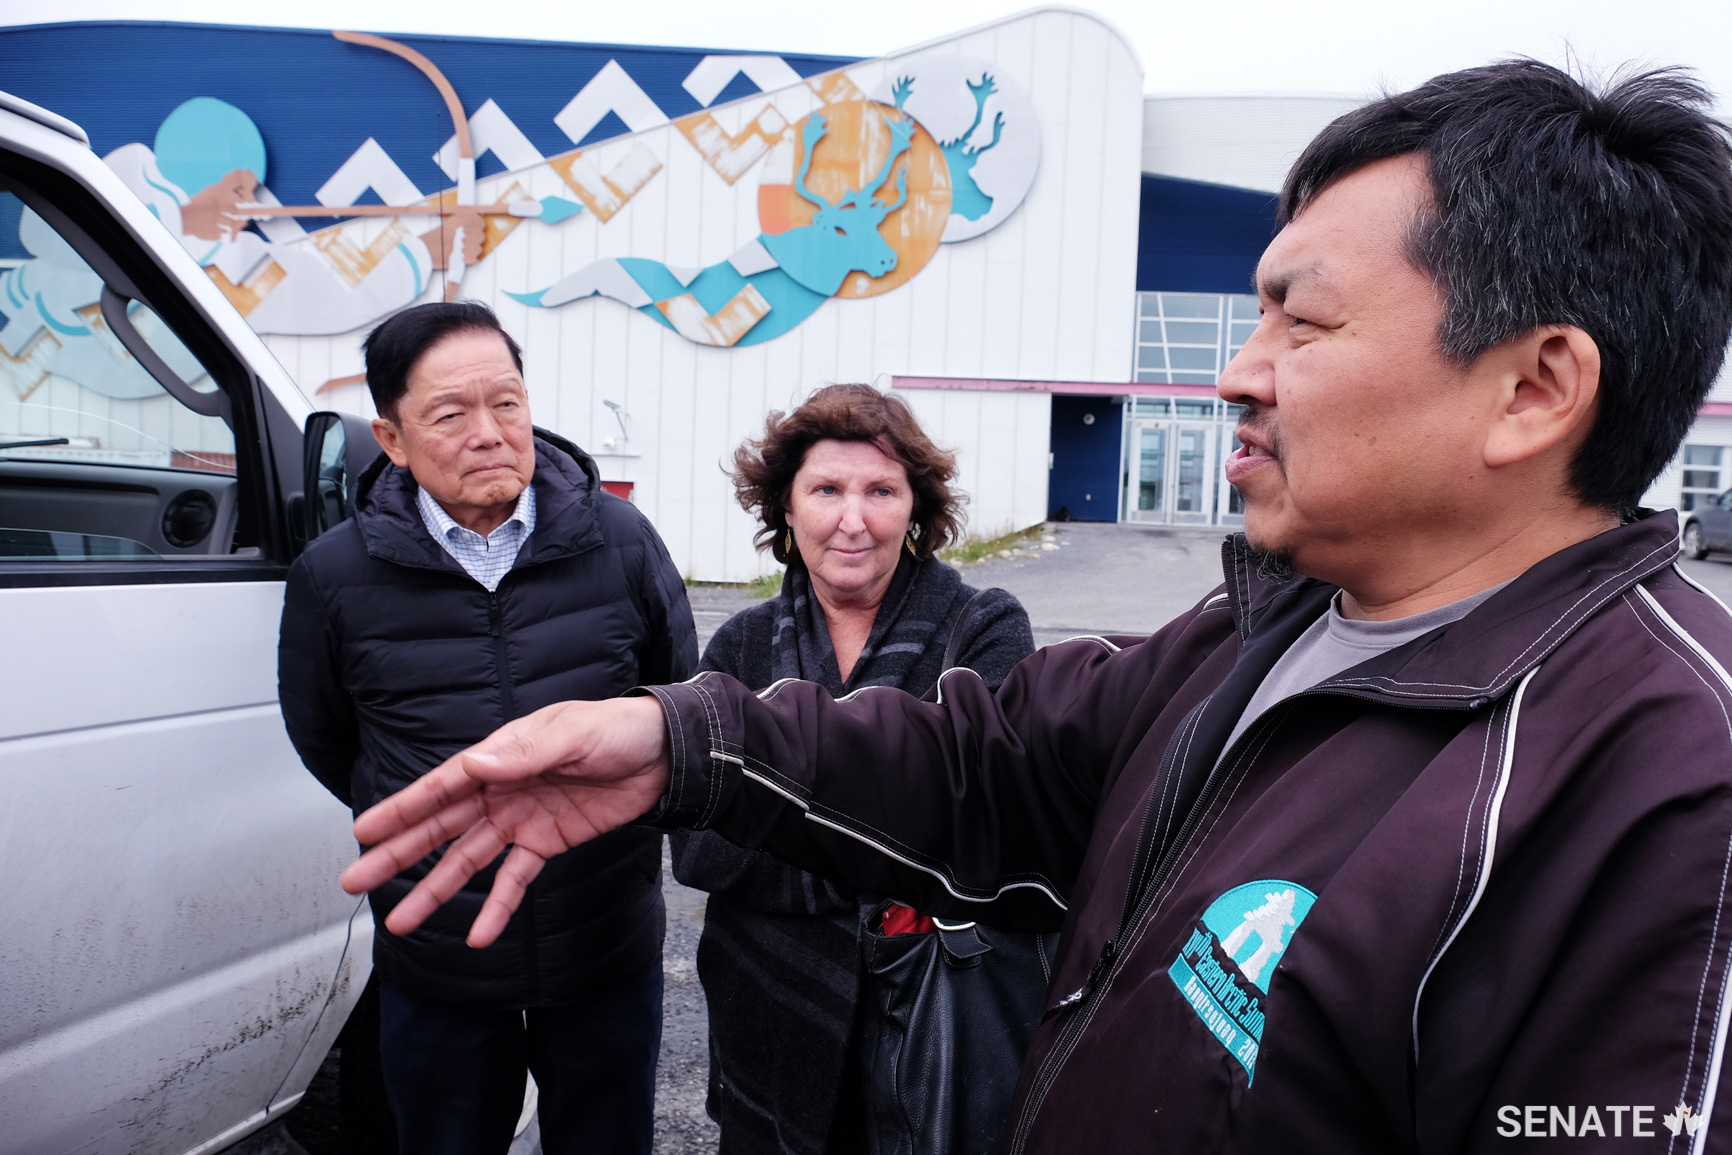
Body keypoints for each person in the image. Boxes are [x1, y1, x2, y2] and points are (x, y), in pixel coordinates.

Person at [340, 62, 1732, 1152]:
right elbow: (985, 759)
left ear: (1537, 387)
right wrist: (678, 742)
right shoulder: (1265, 632)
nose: (1236, 373)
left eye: (1302, 326)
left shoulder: (1674, 792)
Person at [278, 301, 696, 1155]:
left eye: (507, 402)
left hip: (602, 939)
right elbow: (327, 736)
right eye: (449, 413)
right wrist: (425, 817)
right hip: (439, 958)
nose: (490, 432)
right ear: (391, 438)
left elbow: (675, 702)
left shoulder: (619, 541)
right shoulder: (335, 575)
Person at [669, 384, 1036, 1155]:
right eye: (826, 489)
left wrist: (778, 817)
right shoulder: (741, 645)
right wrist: (887, 855)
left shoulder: (984, 627)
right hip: (768, 1005)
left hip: (932, 1016)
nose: (853, 519)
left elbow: (991, 820)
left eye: (881, 490)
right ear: (786, 507)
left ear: (916, 508)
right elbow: (698, 848)